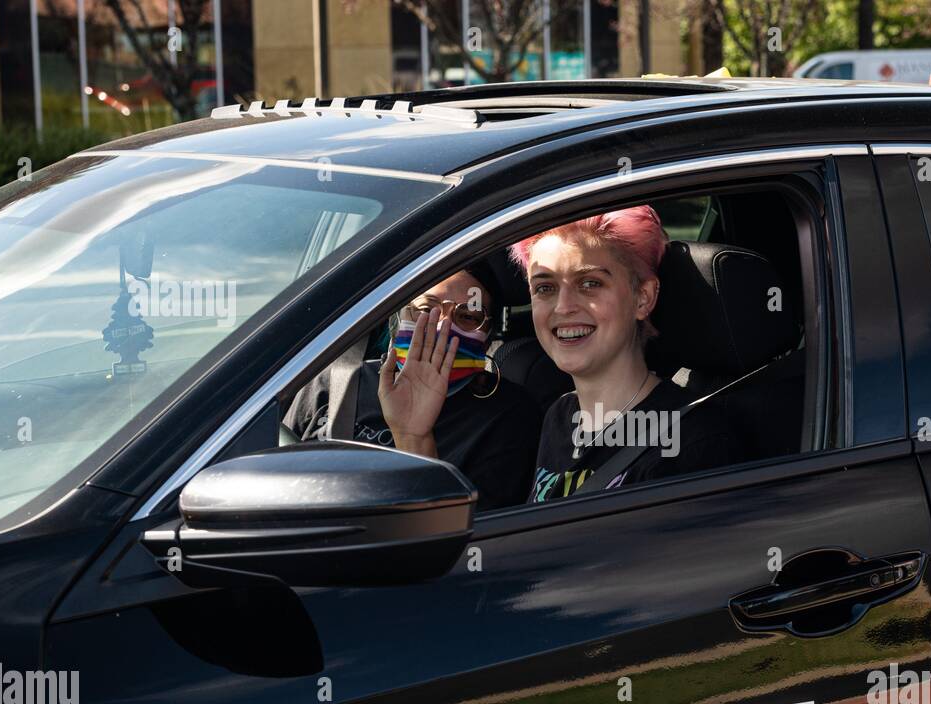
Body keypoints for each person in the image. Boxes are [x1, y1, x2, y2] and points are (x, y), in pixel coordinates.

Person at [507, 205, 734, 503]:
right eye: (545, 288)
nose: (563, 307)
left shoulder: (694, 439)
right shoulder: (561, 415)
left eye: (590, 283)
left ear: (644, 298)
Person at [284, 264, 540, 511]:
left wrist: (414, 438)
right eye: (426, 309)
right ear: (397, 322)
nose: (442, 327)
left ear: (487, 341)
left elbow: (462, 539)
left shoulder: (510, 416)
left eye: (468, 317)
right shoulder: (338, 379)